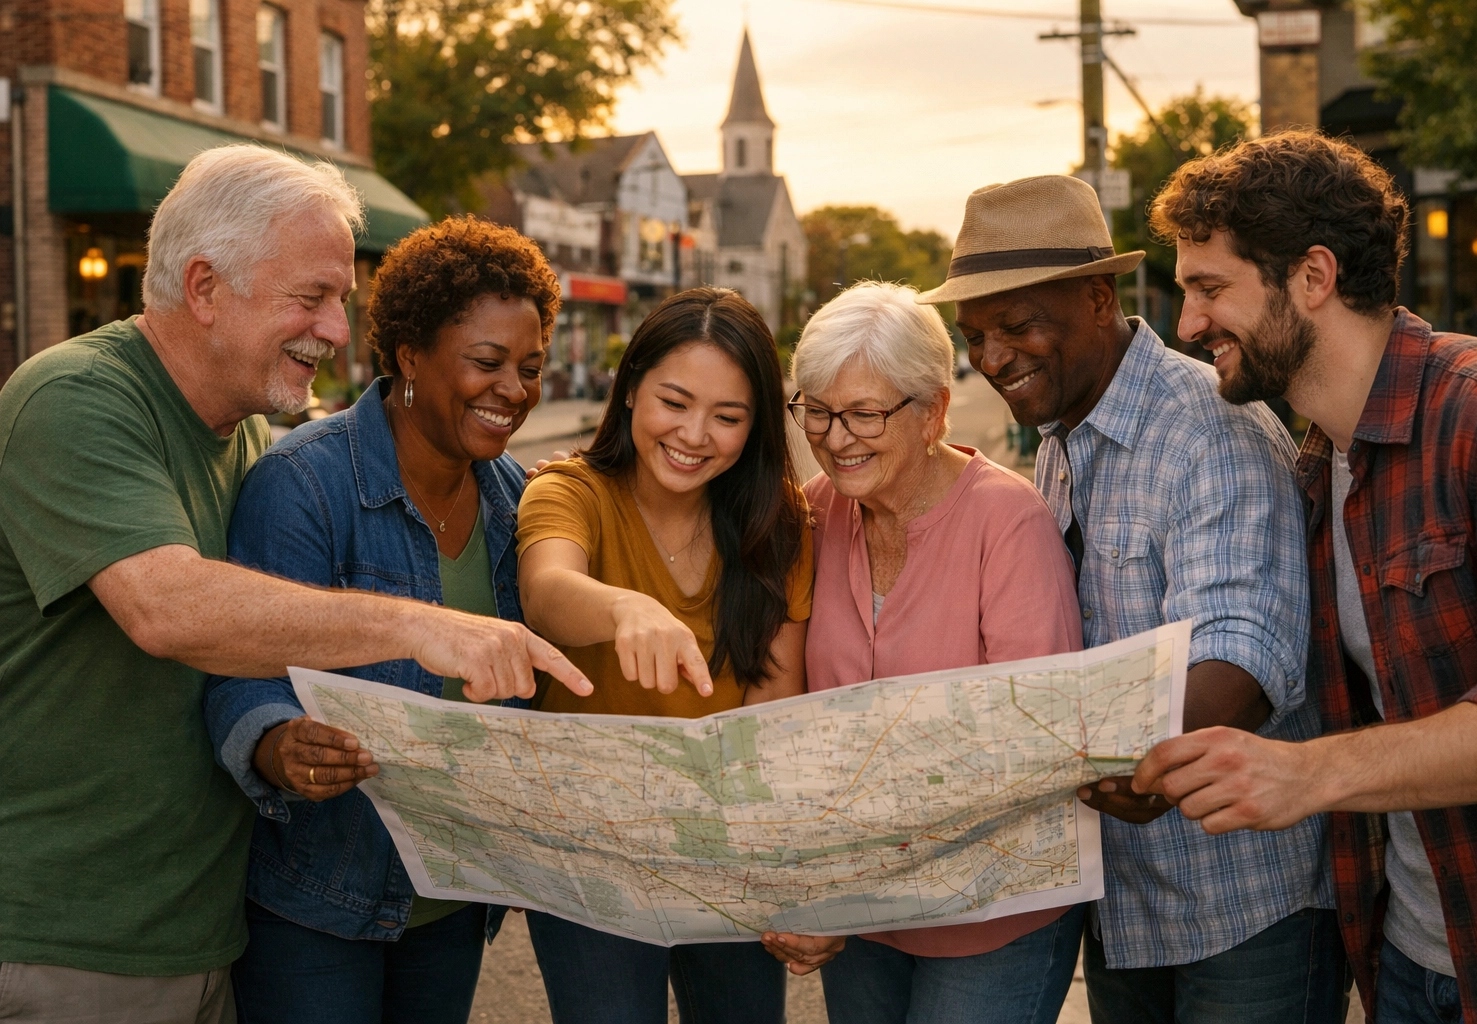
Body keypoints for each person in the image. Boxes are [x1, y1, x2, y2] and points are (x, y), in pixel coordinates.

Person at [0, 147, 585, 1024]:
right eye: (310, 298)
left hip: (202, 927)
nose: (341, 331)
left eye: (342, 302)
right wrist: (426, 629)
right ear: (204, 288)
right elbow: (168, 608)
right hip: (71, 935)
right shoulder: (76, 398)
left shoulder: (238, 432)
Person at [1136, 129, 1477, 1024]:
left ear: (1312, 277)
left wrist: (1309, 774)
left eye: (1209, 288)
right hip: (1406, 959)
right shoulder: (1316, 470)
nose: (1189, 325)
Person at [928, 174, 1346, 1024]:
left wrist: (1126, 753)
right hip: (1126, 903)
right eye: (974, 336)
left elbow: (1246, 652)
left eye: (1016, 325)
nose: (993, 357)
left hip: (1244, 904)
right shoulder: (1060, 440)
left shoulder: (1206, 424)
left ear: (1095, 297)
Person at [200, 216, 575, 1023]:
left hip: (452, 903)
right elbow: (238, 670)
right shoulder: (304, 483)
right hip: (317, 902)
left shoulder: (520, 501)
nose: (513, 388)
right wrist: (274, 742)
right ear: (409, 356)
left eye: (531, 367)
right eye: (486, 362)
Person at [768, 281, 1085, 1024]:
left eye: (865, 414)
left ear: (933, 410)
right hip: (863, 916)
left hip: (992, 911)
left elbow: (1033, 747)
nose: (836, 437)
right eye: (817, 411)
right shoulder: (815, 511)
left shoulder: (1008, 523)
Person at [515, 287, 814, 1024]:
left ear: (758, 426)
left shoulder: (780, 522)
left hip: (726, 852)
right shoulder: (571, 490)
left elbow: (771, 706)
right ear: (629, 392)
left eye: (728, 416)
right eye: (674, 402)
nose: (694, 434)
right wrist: (625, 608)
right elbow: (547, 590)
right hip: (591, 857)